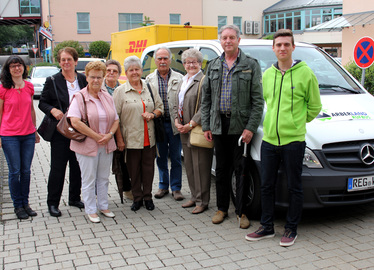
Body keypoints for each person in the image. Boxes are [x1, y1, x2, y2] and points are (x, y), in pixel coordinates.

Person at [245, 29, 322, 246]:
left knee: (294, 187)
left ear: (293, 47)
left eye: (286, 44)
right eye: (278, 45)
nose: (282, 48)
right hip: (269, 140)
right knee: (267, 186)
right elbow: (264, 103)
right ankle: (267, 227)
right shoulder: (267, 74)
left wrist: (296, 122)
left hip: (293, 141)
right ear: (273, 48)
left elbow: (315, 106)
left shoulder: (305, 73)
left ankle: (291, 229)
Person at [200, 25, 264, 228]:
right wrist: (206, 125)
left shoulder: (250, 65)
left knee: (241, 169)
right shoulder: (212, 65)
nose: (228, 41)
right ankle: (221, 209)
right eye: (224, 38)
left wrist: (250, 128)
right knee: (221, 169)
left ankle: (242, 212)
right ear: (221, 40)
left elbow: (258, 101)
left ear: (238, 40)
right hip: (219, 125)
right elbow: (206, 99)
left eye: (231, 37)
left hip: (240, 127)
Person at [68, 61, 119, 223]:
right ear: (87, 77)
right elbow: (75, 121)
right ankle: (91, 209)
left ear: (103, 77)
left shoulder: (107, 96)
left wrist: (109, 134)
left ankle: (103, 206)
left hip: (106, 144)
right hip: (87, 145)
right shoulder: (79, 97)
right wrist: (97, 137)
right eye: (92, 77)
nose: (96, 80)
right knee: (89, 178)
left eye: (99, 77)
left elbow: (116, 119)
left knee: (103, 177)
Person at [39, 47, 87, 217]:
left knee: (77, 166)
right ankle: (53, 203)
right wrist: (52, 110)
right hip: (60, 131)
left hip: (79, 130)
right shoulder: (53, 80)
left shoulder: (82, 79)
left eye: (69, 59)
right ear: (59, 62)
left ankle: (74, 197)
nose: (66, 62)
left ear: (75, 61)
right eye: (62, 60)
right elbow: (42, 102)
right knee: (58, 168)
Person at [114, 56, 163, 211]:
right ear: (126, 73)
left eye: (137, 69)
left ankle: (148, 198)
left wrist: (153, 114)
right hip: (131, 139)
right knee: (133, 171)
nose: (134, 72)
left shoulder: (150, 88)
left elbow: (160, 107)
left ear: (141, 71)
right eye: (131, 70)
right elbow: (115, 118)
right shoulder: (120, 91)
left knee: (148, 170)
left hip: (150, 138)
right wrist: (120, 140)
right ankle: (137, 198)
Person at [172, 49, 213, 214]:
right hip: (183, 129)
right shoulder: (183, 80)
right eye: (188, 62)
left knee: (201, 166)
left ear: (200, 63)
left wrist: (191, 123)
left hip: (197, 129)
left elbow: (206, 105)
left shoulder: (204, 80)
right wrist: (176, 120)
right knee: (189, 165)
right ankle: (195, 197)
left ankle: (203, 201)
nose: (191, 64)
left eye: (194, 62)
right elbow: (176, 102)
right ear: (184, 64)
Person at [0, 55, 40, 219]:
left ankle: (26, 203)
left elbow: (31, 109)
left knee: (26, 171)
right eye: (13, 66)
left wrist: (35, 130)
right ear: (8, 70)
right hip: (10, 136)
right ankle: (18, 206)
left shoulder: (29, 86)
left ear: (24, 68)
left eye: (19, 65)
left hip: (28, 135)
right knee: (14, 171)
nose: (17, 68)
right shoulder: (3, 88)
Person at [145, 47, 184, 201]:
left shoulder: (180, 78)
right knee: (160, 157)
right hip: (158, 125)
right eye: (159, 58)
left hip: (174, 124)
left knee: (175, 158)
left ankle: (176, 188)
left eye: (165, 58)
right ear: (155, 60)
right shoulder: (148, 80)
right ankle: (163, 186)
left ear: (170, 59)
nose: (162, 61)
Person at [102, 59, 133, 201]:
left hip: (121, 132)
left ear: (119, 74)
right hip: (101, 133)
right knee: (101, 165)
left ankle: (127, 190)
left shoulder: (123, 89)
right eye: (108, 70)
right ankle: (99, 195)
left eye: (114, 71)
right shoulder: (97, 88)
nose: (111, 73)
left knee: (123, 164)